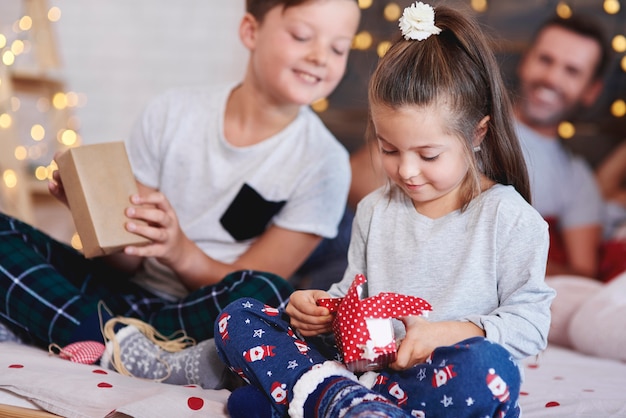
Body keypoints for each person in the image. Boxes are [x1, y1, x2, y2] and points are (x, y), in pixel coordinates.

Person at [214, 3, 555, 417]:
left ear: (477, 134)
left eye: (428, 155)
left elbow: (531, 326)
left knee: (489, 370)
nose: (406, 171)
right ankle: (345, 400)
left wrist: (452, 333)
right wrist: (321, 308)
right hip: (362, 371)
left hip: (439, 382)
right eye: (389, 149)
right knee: (239, 316)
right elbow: (354, 294)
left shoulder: (510, 218)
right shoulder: (376, 209)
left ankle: (316, 399)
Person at [0, 0, 361, 388]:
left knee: (271, 292)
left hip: (201, 312)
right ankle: (117, 343)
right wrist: (90, 213)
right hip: (122, 295)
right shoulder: (173, 113)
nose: (320, 56)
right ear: (250, 31)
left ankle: (70, 327)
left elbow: (257, 279)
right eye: (302, 36)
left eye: (339, 48)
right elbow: (128, 263)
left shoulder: (325, 163)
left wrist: (179, 251)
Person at [513, 14, 626, 280]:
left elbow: (582, 278)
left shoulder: (577, 179)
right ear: (526, 60)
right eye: (545, 60)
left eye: (572, 71)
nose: (552, 78)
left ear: (591, 91)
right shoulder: (464, 124)